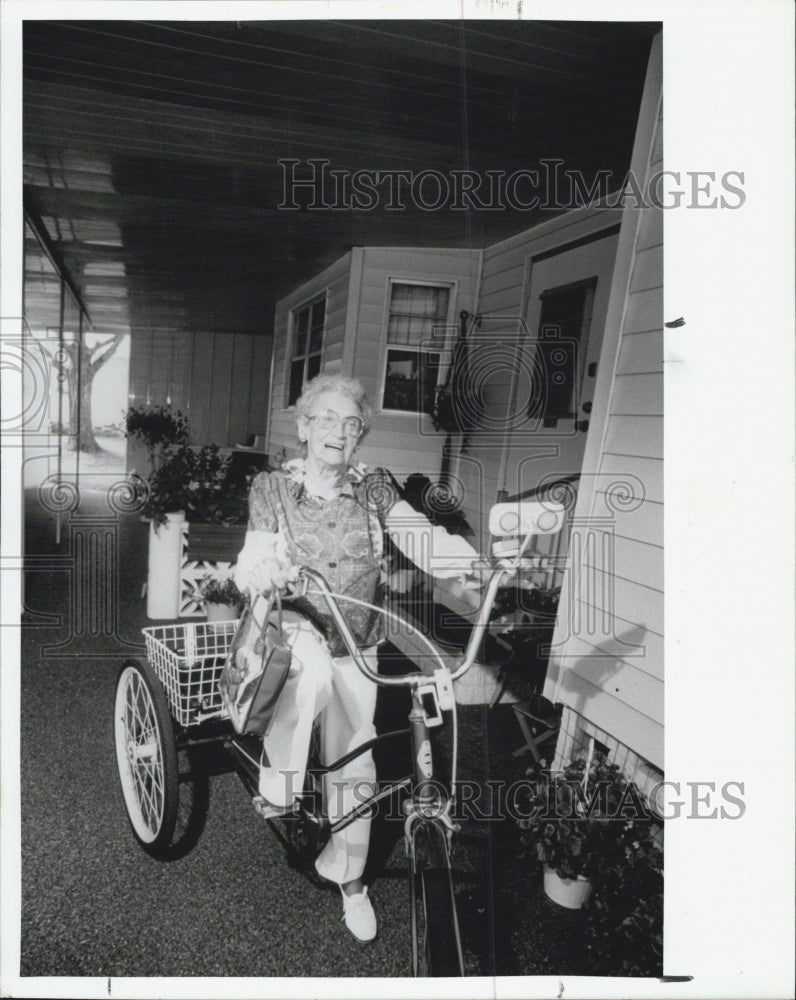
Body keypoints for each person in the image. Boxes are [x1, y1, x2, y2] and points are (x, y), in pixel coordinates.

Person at [233, 374, 482, 943]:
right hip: (291, 628)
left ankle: (349, 880)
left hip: (359, 638)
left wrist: (475, 568)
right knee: (311, 672)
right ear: (303, 428)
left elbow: (419, 537)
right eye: (325, 419)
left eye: (350, 424)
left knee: (356, 760)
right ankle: (280, 784)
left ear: (360, 435)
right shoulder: (273, 487)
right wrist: (263, 571)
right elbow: (254, 555)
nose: (337, 432)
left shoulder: (374, 487)